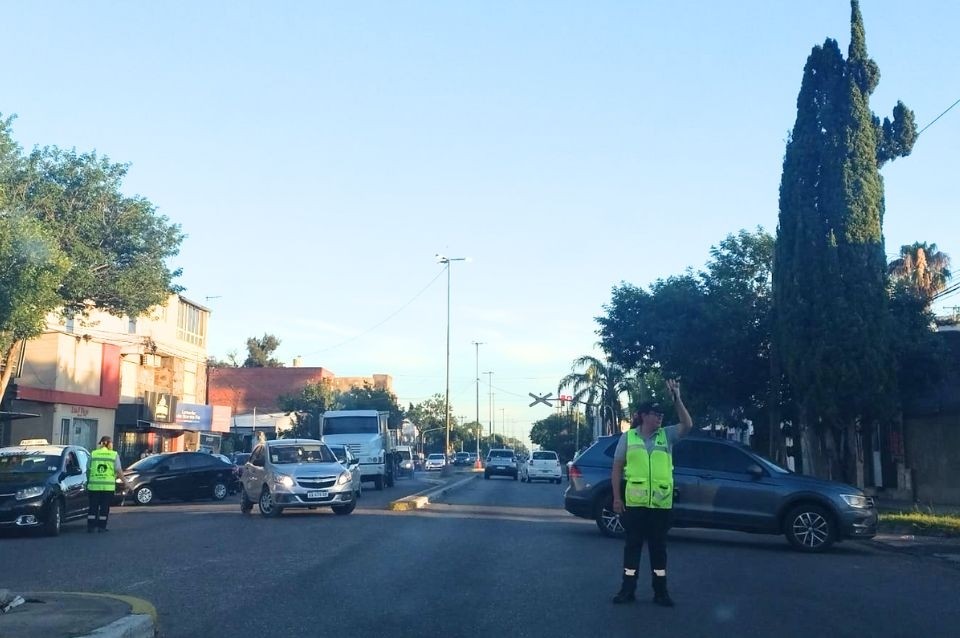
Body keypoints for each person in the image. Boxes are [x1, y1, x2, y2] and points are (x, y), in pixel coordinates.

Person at [611, 379, 692, 607]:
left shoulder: (666, 435)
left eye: (661, 415)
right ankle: (628, 589)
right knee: (632, 548)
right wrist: (617, 498)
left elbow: (687, 425)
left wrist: (677, 398)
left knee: (659, 551)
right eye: (655, 414)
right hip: (635, 505)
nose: (659, 418)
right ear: (643, 416)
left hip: (660, 506)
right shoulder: (628, 438)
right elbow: (617, 468)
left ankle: (661, 591)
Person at [87, 436, 124, 533]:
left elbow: (88, 469)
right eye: (111, 442)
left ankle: (91, 526)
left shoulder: (93, 454)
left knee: (93, 507)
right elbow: (119, 471)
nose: (112, 444)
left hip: (94, 486)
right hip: (108, 487)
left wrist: (88, 482)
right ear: (106, 443)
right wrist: (126, 483)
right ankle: (101, 527)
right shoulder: (114, 455)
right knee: (104, 507)